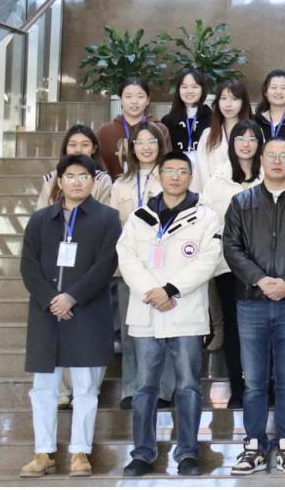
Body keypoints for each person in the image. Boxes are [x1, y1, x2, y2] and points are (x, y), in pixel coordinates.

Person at [117, 151, 222, 477]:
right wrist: (153, 291)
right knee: (144, 387)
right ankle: (142, 453)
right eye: (170, 171)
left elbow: (208, 260)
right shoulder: (139, 216)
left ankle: (187, 453)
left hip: (185, 312)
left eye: (182, 171)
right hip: (148, 310)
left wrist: (171, 290)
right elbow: (127, 257)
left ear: (190, 177)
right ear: (159, 176)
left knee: (188, 386)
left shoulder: (205, 216)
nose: (176, 177)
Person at [18, 154, 121, 479]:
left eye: (84, 176)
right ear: (59, 182)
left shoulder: (107, 218)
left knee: (86, 387)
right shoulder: (40, 220)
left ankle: (80, 452)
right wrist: (52, 300)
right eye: (71, 176)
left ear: (93, 181)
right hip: (46, 313)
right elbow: (28, 266)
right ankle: (43, 452)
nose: (77, 182)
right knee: (43, 388)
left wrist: (71, 297)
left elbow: (106, 265)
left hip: (87, 312)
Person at [222, 137, 285, 475]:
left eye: (284, 155)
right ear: (261, 160)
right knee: (253, 381)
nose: (277, 161)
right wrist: (260, 280)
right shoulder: (241, 201)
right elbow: (231, 247)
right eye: (271, 155)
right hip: (251, 302)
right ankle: (254, 445)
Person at [109, 122, 175, 409]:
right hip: (129, 267)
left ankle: (163, 389)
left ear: (160, 145)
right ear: (132, 148)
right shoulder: (120, 184)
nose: (146, 147)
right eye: (140, 142)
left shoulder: (171, 176)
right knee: (131, 331)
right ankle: (132, 388)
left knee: (165, 327)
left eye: (152, 142)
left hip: (165, 266)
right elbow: (112, 226)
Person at [202, 118, 264, 409]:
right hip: (228, 265)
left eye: (252, 138)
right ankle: (237, 389)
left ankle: (264, 386)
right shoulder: (217, 181)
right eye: (240, 138)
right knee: (233, 327)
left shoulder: (269, 176)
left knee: (262, 328)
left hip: (263, 266)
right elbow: (208, 222)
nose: (246, 144)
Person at [192, 80, 253, 193]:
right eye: (223, 98)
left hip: (246, 195)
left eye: (234, 99)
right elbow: (201, 172)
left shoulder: (254, 133)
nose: (228, 104)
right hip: (214, 196)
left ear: (243, 103)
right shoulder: (208, 135)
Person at [36, 125, 113, 211]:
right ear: (65, 148)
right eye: (72, 145)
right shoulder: (51, 179)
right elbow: (41, 215)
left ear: (94, 149)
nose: (78, 150)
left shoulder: (102, 180)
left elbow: (105, 215)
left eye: (85, 145)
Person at [97, 78, 162, 178]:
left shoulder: (159, 129)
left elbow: (166, 163)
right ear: (120, 100)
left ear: (148, 100)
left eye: (140, 96)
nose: (134, 101)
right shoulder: (105, 132)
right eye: (128, 96)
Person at [160, 69, 208, 156]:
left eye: (195, 87)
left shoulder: (212, 119)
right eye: (184, 87)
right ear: (178, 90)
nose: (189, 91)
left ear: (202, 90)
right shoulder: (167, 121)